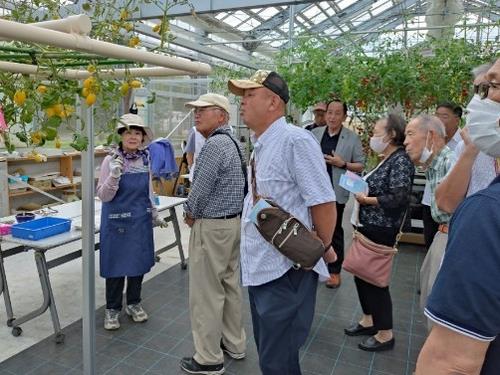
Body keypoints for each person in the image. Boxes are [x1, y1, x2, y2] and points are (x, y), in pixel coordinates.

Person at [228, 70, 337, 375]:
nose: (243, 103)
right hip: (262, 269)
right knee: (271, 355)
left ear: (273, 102)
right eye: (242, 97)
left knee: (279, 361)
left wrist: (317, 250)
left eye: (250, 96)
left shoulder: (294, 140)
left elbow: (324, 202)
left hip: (286, 271)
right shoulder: (262, 144)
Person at [416, 58, 500, 375]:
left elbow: (449, 362)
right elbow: (447, 201)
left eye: (492, 88)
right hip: (461, 246)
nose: (482, 101)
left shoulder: (488, 209)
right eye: (482, 89)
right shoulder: (473, 151)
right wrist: (471, 150)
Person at [180, 93, 247, 375]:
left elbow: (200, 190)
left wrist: (189, 212)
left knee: (206, 292)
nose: (196, 115)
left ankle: (208, 358)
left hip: (212, 226)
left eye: (202, 110)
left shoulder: (213, 145)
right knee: (229, 285)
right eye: (195, 111)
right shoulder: (234, 142)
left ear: (221, 115)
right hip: (232, 224)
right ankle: (235, 343)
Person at [344, 114, 414, 352]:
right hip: (367, 226)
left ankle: (385, 333)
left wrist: (368, 199)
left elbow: (399, 198)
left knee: (375, 280)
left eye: (376, 133)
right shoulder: (387, 158)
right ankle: (369, 319)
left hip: (382, 228)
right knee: (361, 275)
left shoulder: (401, 160)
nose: (373, 137)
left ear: (392, 134)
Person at [97, 113, 160, 330]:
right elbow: (103, 196)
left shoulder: (146, 159)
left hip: (140, 220)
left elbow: (148, 188)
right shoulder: (110, 160)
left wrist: (153, 210)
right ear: (121, 136)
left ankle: (133, 303)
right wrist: (114, 175)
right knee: (115, 266)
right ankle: (112, 309)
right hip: (115, 222)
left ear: (143, 137)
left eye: (137, 133)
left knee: (137, 264)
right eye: (128, 132)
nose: (133, 136)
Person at [403, 115, 455, 321]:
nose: (405, 141)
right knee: (426, 290)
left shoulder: (451, 163)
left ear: (431, 136)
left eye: (410, 134)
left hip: (450, 237)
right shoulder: (434, 165)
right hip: (441, 233)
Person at [311, 99, 365, 288]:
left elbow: (360, 165)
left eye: (336, 113)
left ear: (344, 116)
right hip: (313, 190)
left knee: (333, 231)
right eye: (329, 113)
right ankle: (313, 264)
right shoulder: (314, 134)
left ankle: (334, 271)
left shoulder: (351, 138)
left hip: (335, 192)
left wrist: (342, 164)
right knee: (311, 228)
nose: (332, 117)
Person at [435, 62, 496, 213]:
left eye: (486, 88)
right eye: (476, 91)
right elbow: (446, 203)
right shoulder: (466, 147)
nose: (476, 99)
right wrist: (471, 149)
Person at [420, 102, 462, 249]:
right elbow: (424, 166)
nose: (438, 120)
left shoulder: (463, 142)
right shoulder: (430, 138)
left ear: (457, 120)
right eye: (436, 116)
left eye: (444, 116)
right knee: (430, 245)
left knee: (446, 247)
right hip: (430, 201)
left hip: (450, 206)